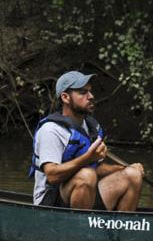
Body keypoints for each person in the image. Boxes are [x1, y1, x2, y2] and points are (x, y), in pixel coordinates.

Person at [29, 71, 145, 212]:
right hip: (50, 202)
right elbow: (52, 175)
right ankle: (81, 231)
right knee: (86, 175)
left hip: (85, 192)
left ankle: (121, 231)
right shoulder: (51, 130)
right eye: (83, 92)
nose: (91, 97)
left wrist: (126, 168)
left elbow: (97, 168)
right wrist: (87, 158)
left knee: (133, 176)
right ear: (65, 97)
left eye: (90, 92)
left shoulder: (90, 127)